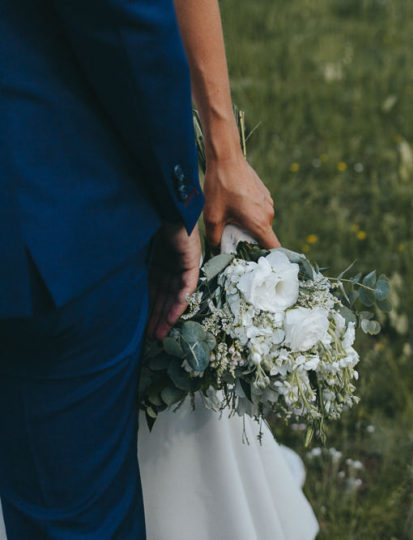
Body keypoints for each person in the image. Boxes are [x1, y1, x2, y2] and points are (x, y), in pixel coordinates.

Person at [0, 0, 316, 537]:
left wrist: (222, 152)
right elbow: (123, 20)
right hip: (42, 202)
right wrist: (177, 199)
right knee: (73, 511)